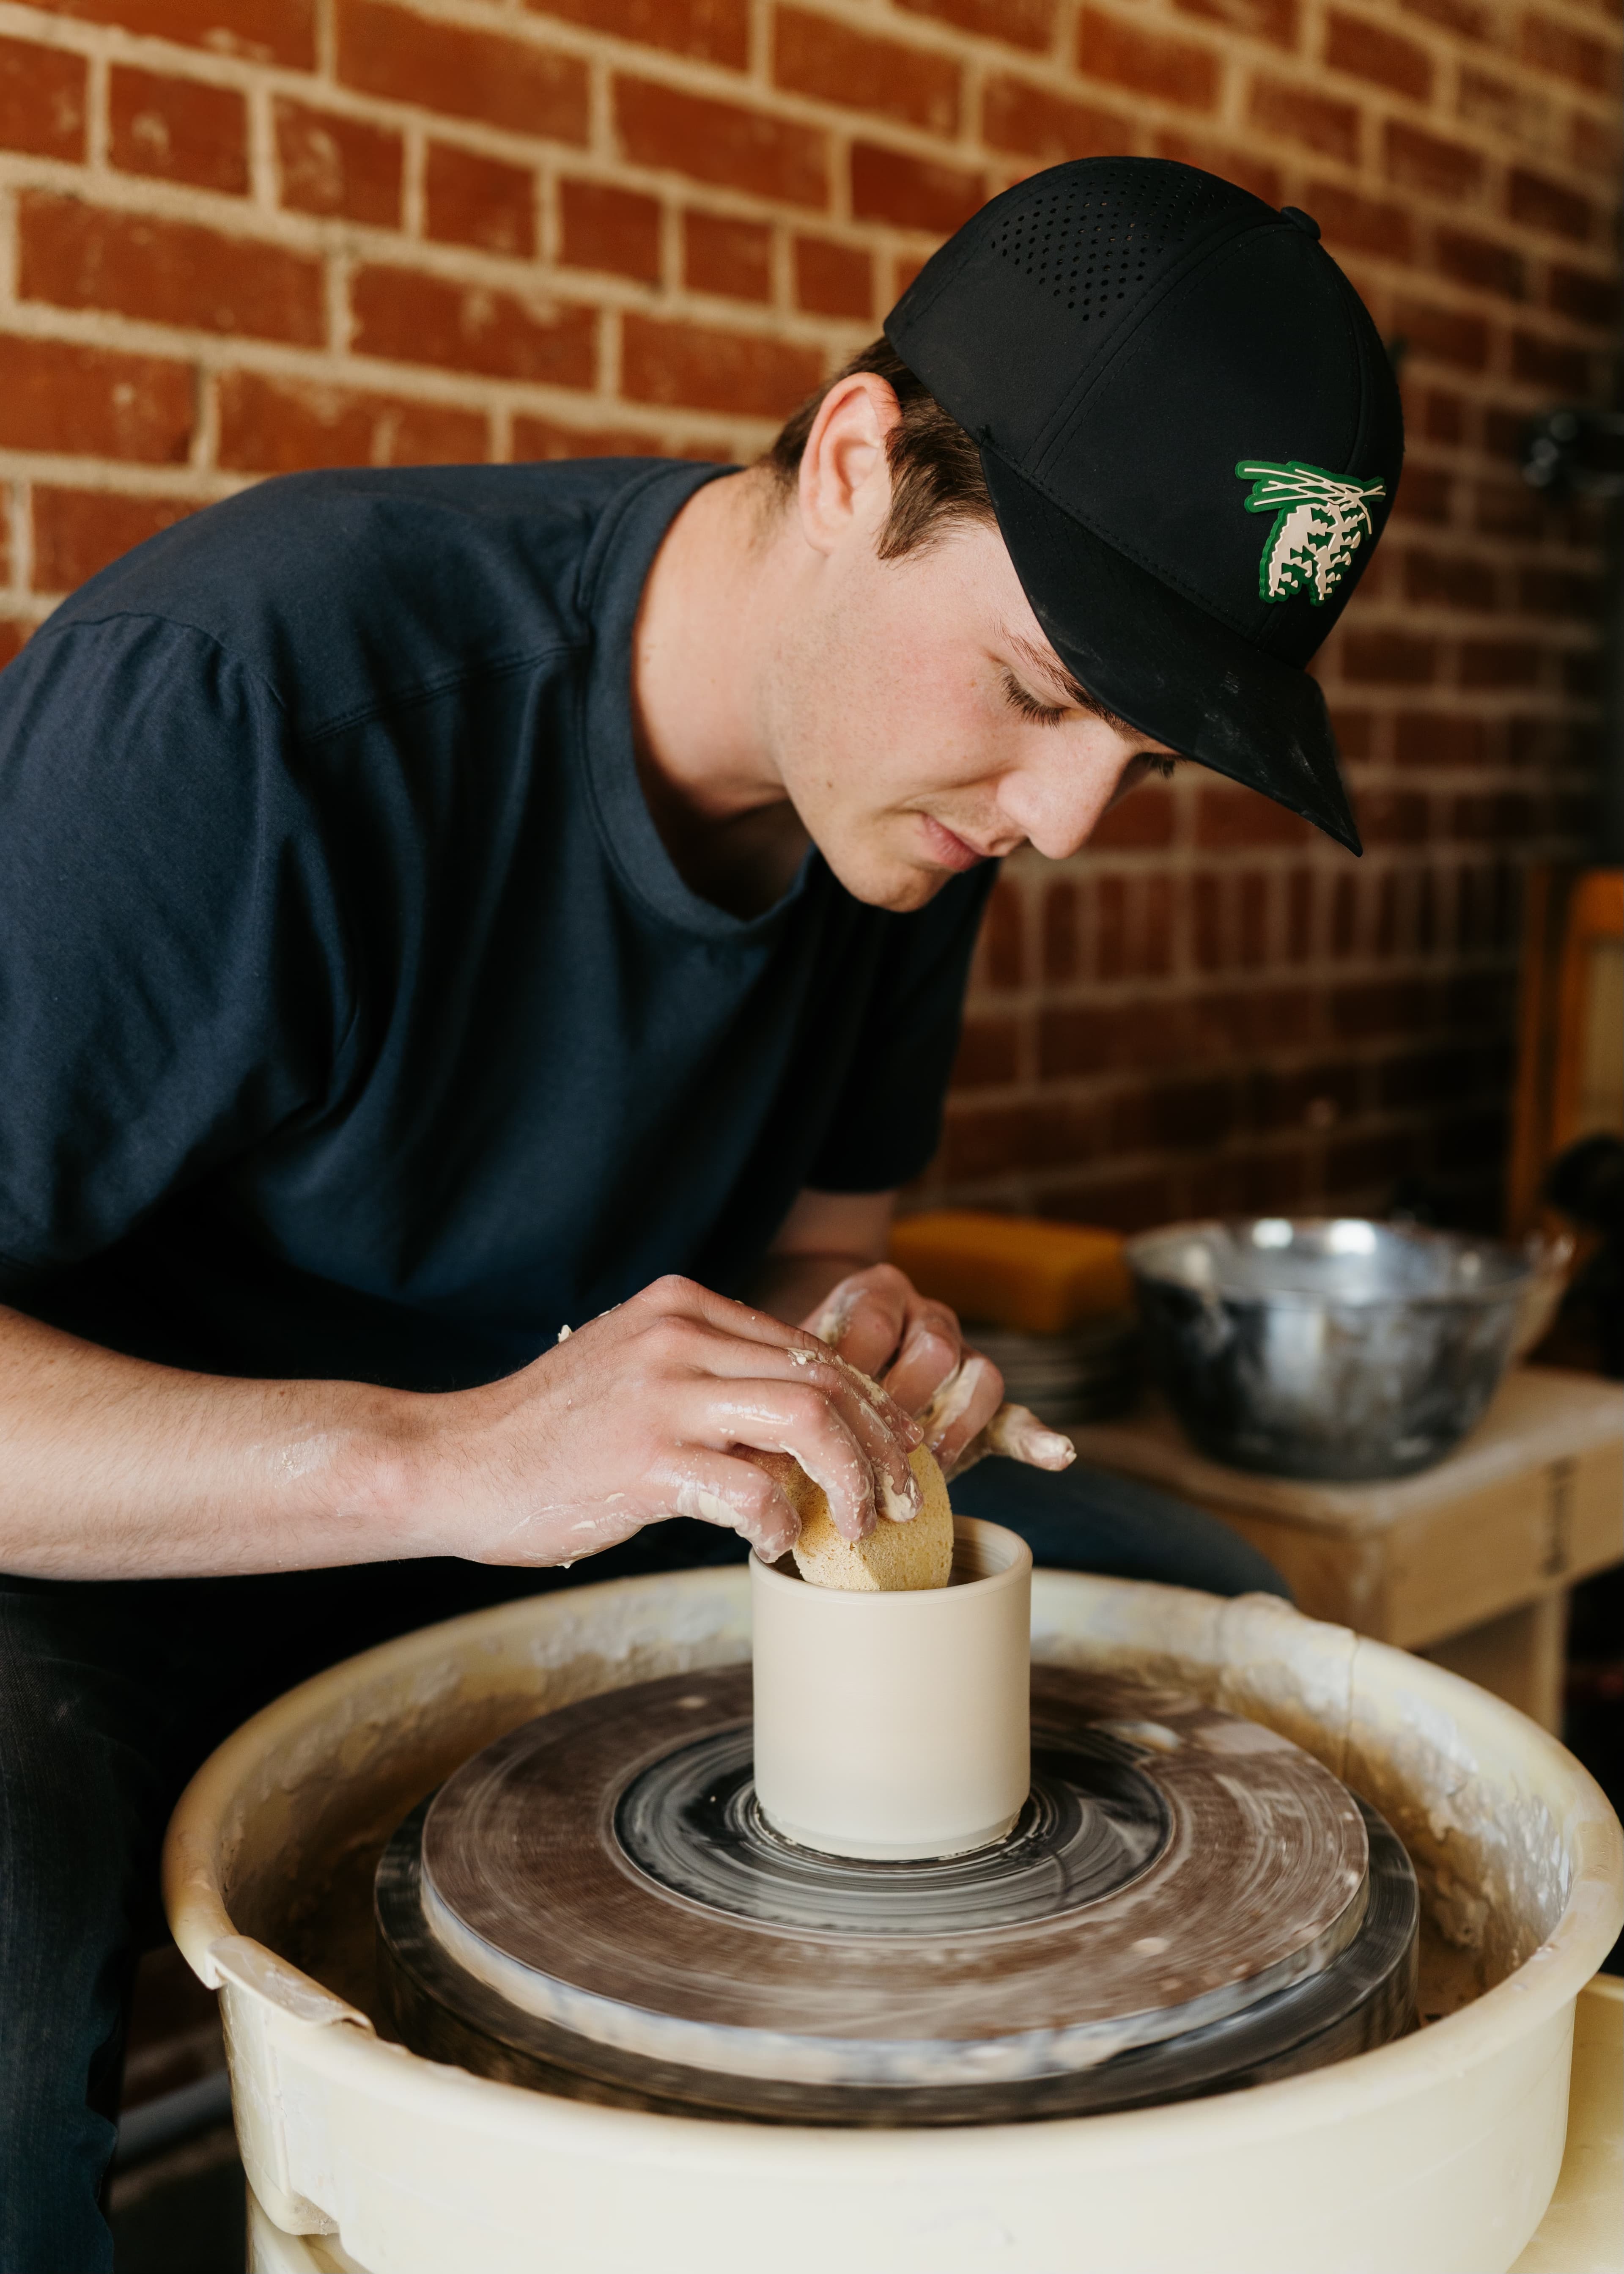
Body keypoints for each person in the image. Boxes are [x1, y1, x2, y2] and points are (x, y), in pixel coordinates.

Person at [0, 157, 1401, 2265]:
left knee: (1216, 1636)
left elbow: (810, 1257)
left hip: (541, 1497)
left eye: (1142, 763)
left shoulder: (905, 828)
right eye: (1037, 693)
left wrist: (845, 1346)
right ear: (859, 458)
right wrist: (454, 1452)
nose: (1060, 822)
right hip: (102, 1546)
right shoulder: (249, 699)